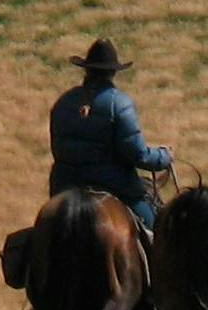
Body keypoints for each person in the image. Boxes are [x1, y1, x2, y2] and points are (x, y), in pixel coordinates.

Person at [48, 38, 172, 232]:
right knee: (156, 228)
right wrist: (163, 157)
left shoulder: (64, 102)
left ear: (86, 70)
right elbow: (138, 155)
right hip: (116, 188)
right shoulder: (120, 104)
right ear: (113, 72)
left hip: (64, 188)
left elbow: (58, 149)